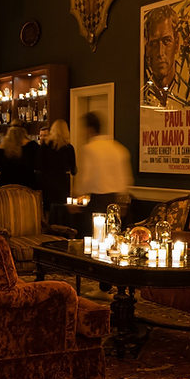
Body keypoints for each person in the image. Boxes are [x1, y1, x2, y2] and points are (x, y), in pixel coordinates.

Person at [74, 112, 133, 301]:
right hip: (116, 199)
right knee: (114, 243)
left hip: (98, 200)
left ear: (89, 128)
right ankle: (112, 284)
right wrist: (122, 202)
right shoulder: (118, 148)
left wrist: (77, 197)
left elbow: (87, 177)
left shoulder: (90, 149)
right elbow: (125, 177)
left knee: (96, 244)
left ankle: (103, 285)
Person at [35, 119, 77, 212]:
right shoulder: (69, 148)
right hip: (61, 183)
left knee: (45, 210)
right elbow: (73, 170)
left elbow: (38, 164)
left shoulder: (45, 146)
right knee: (60, 210)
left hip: (45, 182)